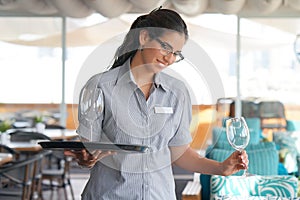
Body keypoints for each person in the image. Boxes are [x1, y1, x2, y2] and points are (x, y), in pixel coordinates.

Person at [65, 7, 248, 200]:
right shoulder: (99, 86)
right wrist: (88, 157)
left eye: (176, 53)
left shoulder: (177, 92)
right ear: (144, 37)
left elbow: (179, 152)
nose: (169, 58)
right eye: (166, 47)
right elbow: (89, 147)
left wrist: (220, 168)